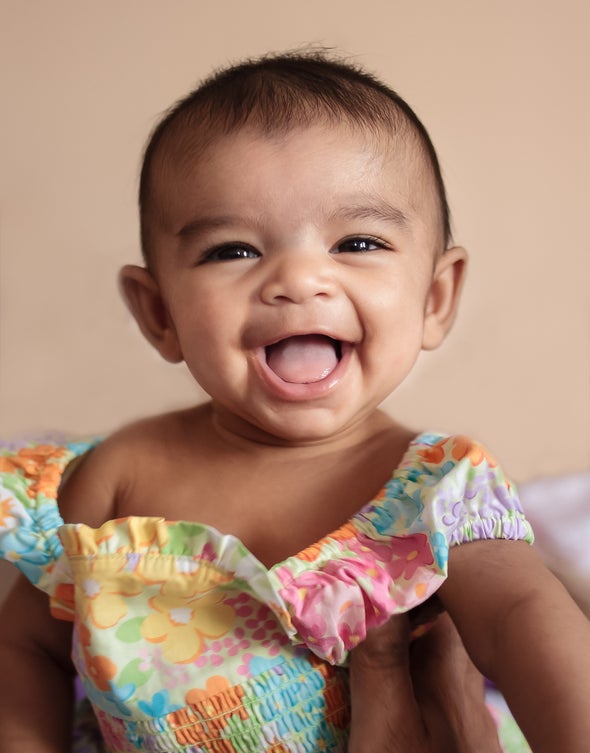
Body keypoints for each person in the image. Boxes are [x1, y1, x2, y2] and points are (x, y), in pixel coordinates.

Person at [0, 50, 588, 753]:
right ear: (159, 312)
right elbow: (24, 649)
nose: (300, 279)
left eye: (357, 241)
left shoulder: (434, 489)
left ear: (435, 298)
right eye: (233, 251)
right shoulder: (119, 475)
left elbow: (527, 623)